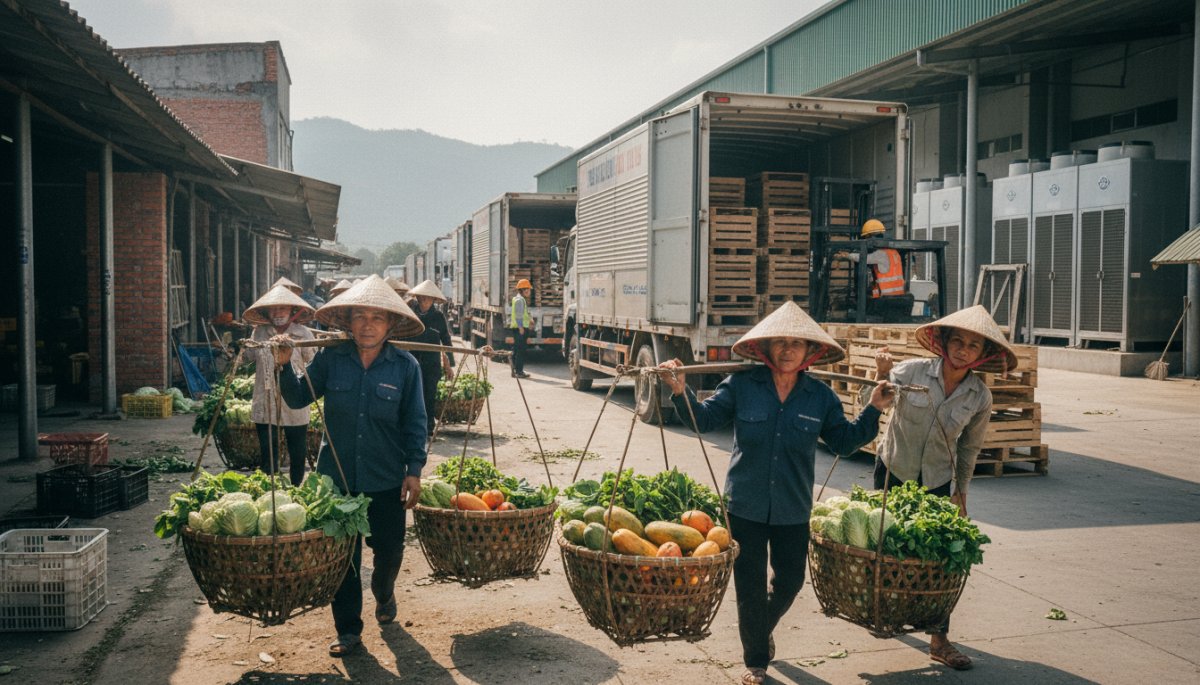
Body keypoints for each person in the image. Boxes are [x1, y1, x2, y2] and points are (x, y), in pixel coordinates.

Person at [658, 301, 893, 685]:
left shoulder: (820, 397)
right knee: (748, 587)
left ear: (809, 352)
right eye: (779, 343)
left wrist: (873, 410)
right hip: (745, 505)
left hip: (793, 506)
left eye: (795, 343)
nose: (786, 349)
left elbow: (844, 443)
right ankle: (756, 661)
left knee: (790, 580)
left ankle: (759, 626)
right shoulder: (740, 386)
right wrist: (681, 392)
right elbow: (705, 419)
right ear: (765, 349)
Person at [274, 274, 428, 658]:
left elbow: (415, 423)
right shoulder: (331, 359)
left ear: (390, 324)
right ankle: (348, 631)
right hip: (337, 479)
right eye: (360, 316)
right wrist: (283, 365)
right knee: (343, 561)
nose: (368, 324)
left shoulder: (405, 367)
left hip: (386, 478)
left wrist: (414, 470)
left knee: (389, 552)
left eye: (377, 318)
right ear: (349, 321)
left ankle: (385, 592)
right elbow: (297, 399)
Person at [867, 304, 1017, 671]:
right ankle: (883, 612)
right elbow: (868, 405)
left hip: (937, 481)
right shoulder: (910, 371)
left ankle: (939, 639)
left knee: (940, 562)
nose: (963, 349)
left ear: (982, 356)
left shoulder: (979, 397)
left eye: (973, 346)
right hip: (894, 471)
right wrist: (881, 376)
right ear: (945, 342)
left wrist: (960, 494)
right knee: (888, 550)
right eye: (958, 341)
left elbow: (969, 450)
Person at [243, 285, 316, 487]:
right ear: (267, 312)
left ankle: (296, 489)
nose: (278, 313)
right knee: (269, 453)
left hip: (295, 401)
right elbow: (248, 357)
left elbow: (312, 361)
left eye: (282, 309)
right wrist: (241, 345)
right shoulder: (259, 333)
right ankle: (270, 490)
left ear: (292, 311)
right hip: (265, 399)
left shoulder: (303, 333)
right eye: (273, 309)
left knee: (297, 451)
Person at [403, 279, 455, 436]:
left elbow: (446, 340)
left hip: (431, 364)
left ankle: (428, 428)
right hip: (412, 362)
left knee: (429, 396)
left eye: (428, 297)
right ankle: (411, 428)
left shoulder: (438, 316)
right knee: (411, 396)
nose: (424, 299)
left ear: (433, 299)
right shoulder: (410, 314)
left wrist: (449, 364)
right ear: (417, 297)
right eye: (421, 296)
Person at [839, 218, 912, 322]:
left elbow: (863, 258)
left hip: (886, 301)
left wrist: (847, 255)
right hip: (896, 298)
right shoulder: (894, 252)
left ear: (870, 237)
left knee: (861, 306)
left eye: (866, 239)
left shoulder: (880, 254)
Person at [508, 278, 533, 378]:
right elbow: (518, 315)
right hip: (520, 329)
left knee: (518, 349)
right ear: (523, 290)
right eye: (528, 289)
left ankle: (515, 370)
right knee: (520, 350)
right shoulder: (519, 300)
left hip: (519, 328)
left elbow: (523, 313)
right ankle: (519, 371)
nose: (529, 291)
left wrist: (530, 319)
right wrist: (521, 327)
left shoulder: (520, 299)